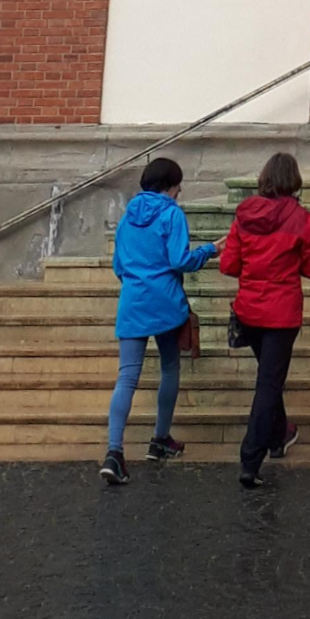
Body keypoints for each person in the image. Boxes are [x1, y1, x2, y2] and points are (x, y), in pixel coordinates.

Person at [100, 155, 216, 485]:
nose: (179, 194)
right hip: (166, 304)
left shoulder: (126, 219)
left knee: (126, 378)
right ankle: (160, 439)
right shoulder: (171, 214)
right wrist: (210, 250)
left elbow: (119, 267)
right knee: (169, 368)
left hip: (133, 303)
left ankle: (114, 452)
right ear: (168, 187)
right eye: (178, 188)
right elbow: (182, 260)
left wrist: (139, 282)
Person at [218, 150, 310, 489]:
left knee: (269, 378)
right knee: (269, 384)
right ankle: (251, 457)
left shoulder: (244, 215)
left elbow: (228, 266)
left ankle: (280, 434)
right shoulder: (301, 218)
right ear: (294, 180)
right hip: (282, 313)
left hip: (249, 310)